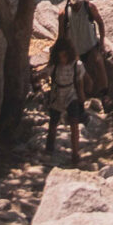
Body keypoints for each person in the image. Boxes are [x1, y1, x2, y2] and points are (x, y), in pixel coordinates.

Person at [58, 0, 110, 103]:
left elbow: (100, 23)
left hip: (91, 47)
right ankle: (83, 101)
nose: (76, 4)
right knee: (84, 81)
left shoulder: (89, 8)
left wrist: (102, 42)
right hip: (75, 52)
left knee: (98, 61)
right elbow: (61, 35)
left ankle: (105, 95)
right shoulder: (64, 14)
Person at [45, 35, 87, 165]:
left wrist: (81, 96)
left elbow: (80, 82)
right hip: (57, 95)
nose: (62, 59)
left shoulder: (76, 65)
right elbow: (45, 73)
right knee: (53, 124)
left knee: (74, 124)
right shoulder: (55, 66)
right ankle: (49, 148)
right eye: (60, 56)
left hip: (71, 95)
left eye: (65, 56)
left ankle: (75, 154)